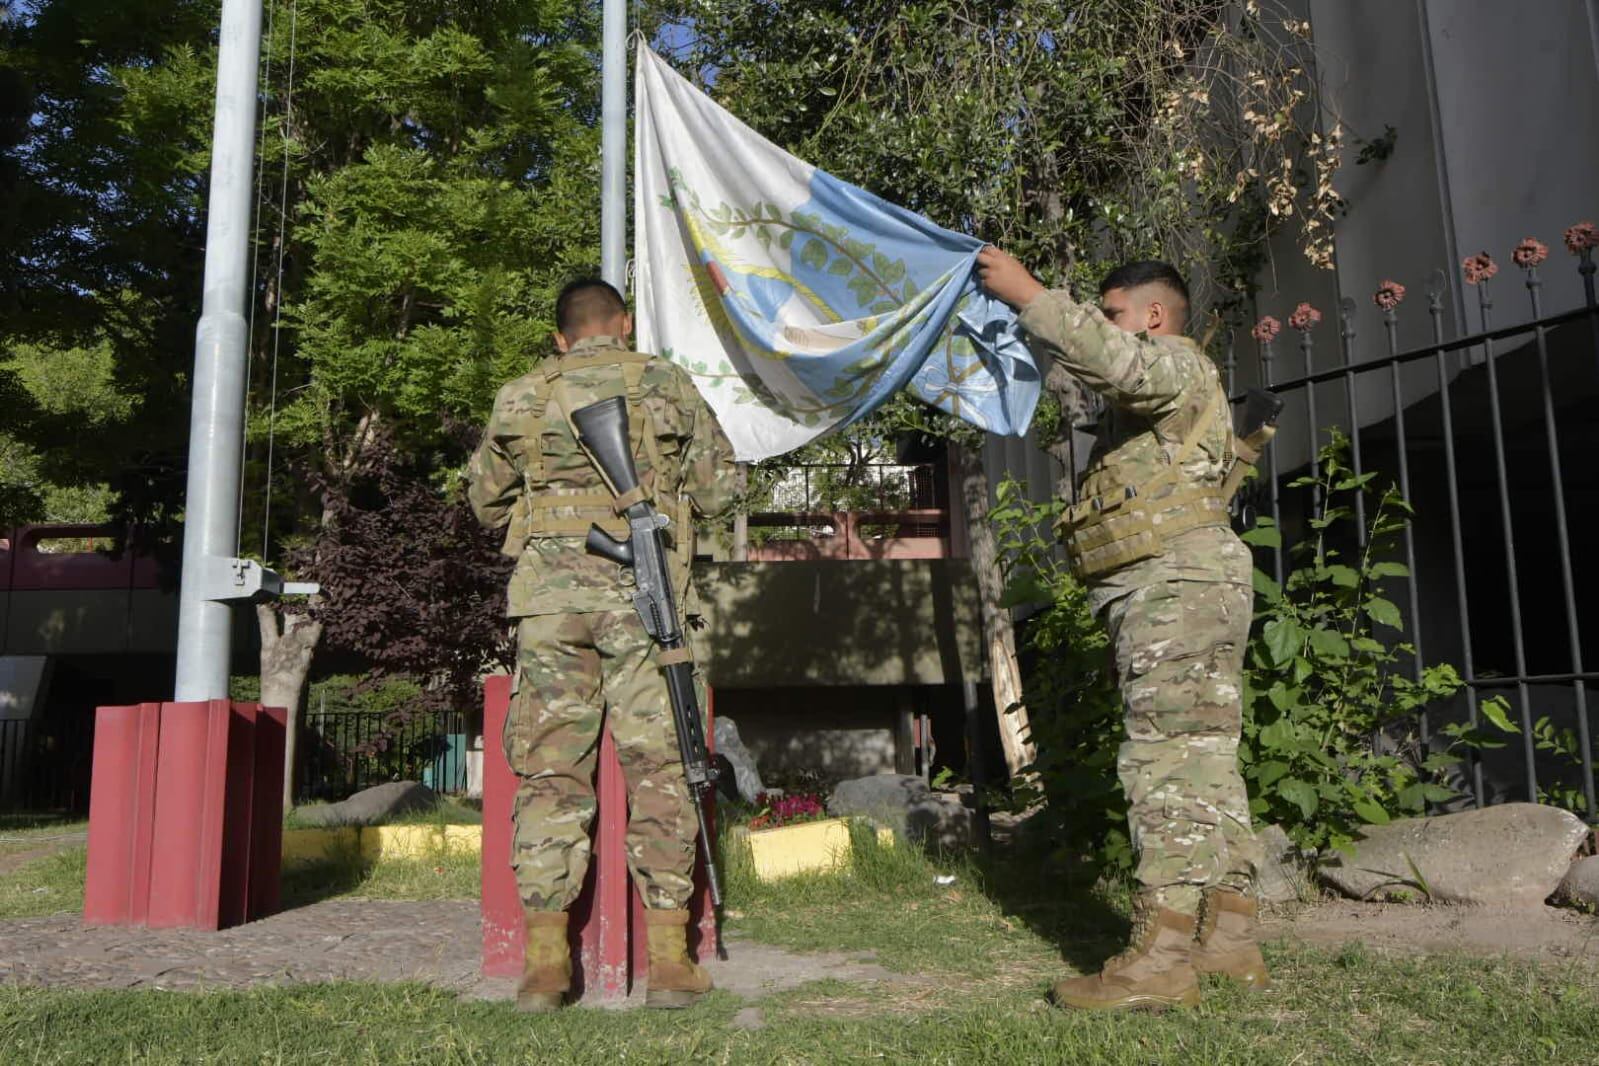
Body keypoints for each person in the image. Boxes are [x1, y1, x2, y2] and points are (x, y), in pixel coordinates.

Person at [977, 248, 1265, 1012]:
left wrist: (1031, 296)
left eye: (1114, 315)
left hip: (1175, 582)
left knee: (1163, 760)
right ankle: (1227, 938)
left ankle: (1161, 958)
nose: (1108, 329)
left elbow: (1122, 367)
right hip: (1184, 579)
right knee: (1202, 757)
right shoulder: (1165, 389)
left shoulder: (1171, 362)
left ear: (1155, 316)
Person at [468, 278, 735, 1011]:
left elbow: (484, 501)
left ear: (560, 337)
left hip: (550, 609)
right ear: (623, 325)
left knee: (552, 771)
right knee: (661, 767)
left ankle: (547, 962)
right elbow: (721, 492)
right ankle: (671, 959)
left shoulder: (521, 395)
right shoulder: (666, 383)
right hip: (647, 607)